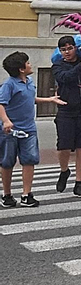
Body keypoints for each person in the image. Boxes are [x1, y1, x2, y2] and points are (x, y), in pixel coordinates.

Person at [50, 36, 81, 197]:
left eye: (70, 48)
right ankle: (64, 171)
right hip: (66, 111)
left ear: (76, 47)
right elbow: (66, 78)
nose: (67, 52)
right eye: (63, 49)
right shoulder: (58, 65)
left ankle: (79, 183)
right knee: (64, 146)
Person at [0, 52, 42, 208]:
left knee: (29, 159)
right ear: (21, 69)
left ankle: (26, 194)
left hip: (29, 129)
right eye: (28, 62)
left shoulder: (30, 82)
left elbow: (30, 99)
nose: (30, 64)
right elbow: (1, 103)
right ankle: (7, 194)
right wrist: (5, 121)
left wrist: (50, 100)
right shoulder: (9, 84)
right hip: (9, 130)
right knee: (7, 162)